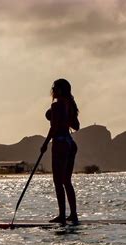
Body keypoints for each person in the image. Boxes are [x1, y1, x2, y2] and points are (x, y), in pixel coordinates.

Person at [41, 78, 80, 224]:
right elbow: (76, 126)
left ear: (60, 90)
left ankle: (62, 215)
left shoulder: (57, 105)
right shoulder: (69, 105)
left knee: (58, 181)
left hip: (60, 143)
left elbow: (54, 127)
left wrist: (45, 144)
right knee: (66, 181)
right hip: (70, 143)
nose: (53, 90)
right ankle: (73, 214)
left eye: (55, 88)